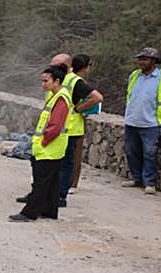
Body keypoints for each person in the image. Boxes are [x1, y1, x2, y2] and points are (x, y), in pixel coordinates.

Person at [10, 65, 72, 222]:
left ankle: (29, 213)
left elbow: (55, 125)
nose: (43, 84)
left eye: (46, 81)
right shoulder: (58, 96)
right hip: (54, 148)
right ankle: (50, 210)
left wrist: (44, 141)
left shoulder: (60, 98)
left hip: (49, 148)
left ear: (57, 81)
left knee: (40, 182)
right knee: (52, 182)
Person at [50, 53, 103, 206]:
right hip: (67, 127)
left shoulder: (69, 80)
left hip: (64, 127)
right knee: (63, 163)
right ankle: (58, 194)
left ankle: (59, 194)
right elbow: (97, 98)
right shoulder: (72, 81)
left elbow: (97, 98)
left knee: (61, 162)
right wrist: (80, 108)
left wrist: (78, 108)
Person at [122, 47, 161, 195]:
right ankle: (136, 178)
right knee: (131, 152)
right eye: (140, 59)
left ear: (153, 61)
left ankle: (149, 183)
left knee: (149, 153)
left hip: (151, 123)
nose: (141, 62)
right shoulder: (134, 75)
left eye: (145, 59)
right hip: (132, 121)